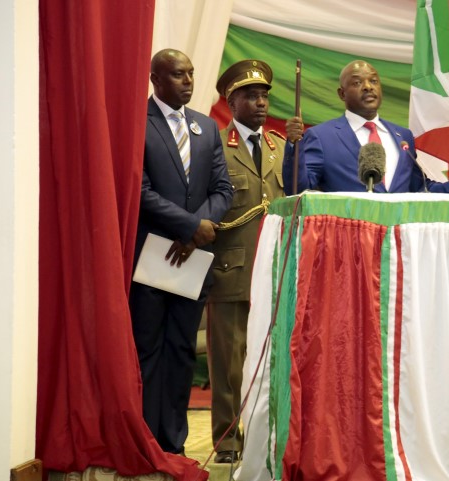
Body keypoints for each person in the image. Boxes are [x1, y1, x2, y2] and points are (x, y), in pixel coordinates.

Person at [130, 48, 233, 454]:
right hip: (152, 259)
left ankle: (173, 445)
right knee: (148, 349)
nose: (189, 81)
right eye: (178, 75)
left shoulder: (206, 127)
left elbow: (222, 190)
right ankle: (144, 441)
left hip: (193, 259)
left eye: (191, 74)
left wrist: (196, 234)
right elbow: (139, 191)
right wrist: (190, 226)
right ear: (156, 78)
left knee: (182, 350)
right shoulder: (138, 120)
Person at [206, 59, 287, 464]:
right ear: (230, 100)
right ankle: (226, 440)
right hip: (231, 268)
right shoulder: (215, 145)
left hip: (274, 269)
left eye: (264, 95)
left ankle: (267, 432)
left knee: (273, 355)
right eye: (250, 96)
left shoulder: (280, 147)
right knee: (229, 362)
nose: (260, 102)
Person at [282, 59, 449, 194]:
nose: (368, 87)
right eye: (357, 82)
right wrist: (293, 145)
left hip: (398, 242)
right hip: (350, 241)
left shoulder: (403, 137)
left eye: (373, 81)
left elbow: (422, 190)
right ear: (342, 94)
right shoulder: (322, 137)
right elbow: (298, 190)